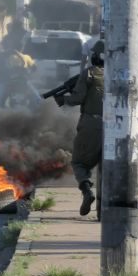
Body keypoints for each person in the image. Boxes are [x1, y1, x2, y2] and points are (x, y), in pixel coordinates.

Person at [58, 40, 104, 216]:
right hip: (118, 127)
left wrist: (64, 100)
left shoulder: (90, 74)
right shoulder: (121, 74)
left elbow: (78, 98)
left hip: (92, 125)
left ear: (95, 56)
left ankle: (87, 191)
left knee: (78, 162)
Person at [0, 39, 41, 110]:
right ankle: (41, 110)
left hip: (9, 81)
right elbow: (34, 68)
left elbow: (6, 67)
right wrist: (29, 73)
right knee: (37, 98)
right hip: (24, 81)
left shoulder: (9, 56)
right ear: (22, 47)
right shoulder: (26, 57)